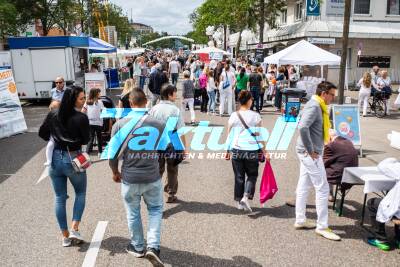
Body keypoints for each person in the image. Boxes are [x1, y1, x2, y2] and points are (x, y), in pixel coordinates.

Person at [109, 88, 166, 266]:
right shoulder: (159, 124)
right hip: (152, 175)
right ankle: (153, 247)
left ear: (131, 104)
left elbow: (113, 155)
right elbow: (163, 149)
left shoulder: (119, 124)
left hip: (129, 176)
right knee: (155, 210)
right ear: (146, 102)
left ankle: (138, 246)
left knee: (133, 212)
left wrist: (115, 172)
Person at [38, 86, 90, 247]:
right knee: (80, 193)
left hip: (54, 159)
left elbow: (42, 134)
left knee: (60, 198)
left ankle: (65, 236)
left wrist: (57, 136)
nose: (84, 101)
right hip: (73, 158)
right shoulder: (81, 117)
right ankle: (75, 228)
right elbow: (85, 140)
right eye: (81, 98)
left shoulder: (54, 114)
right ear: (73, 99)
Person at [295, 81, 341, 241]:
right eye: (332, 95)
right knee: (322, 188)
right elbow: (302, 127)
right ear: (324, 94)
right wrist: (310, 150)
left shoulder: (317, 105)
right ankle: (322, 226)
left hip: (308, 152)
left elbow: (305, 126)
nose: (333, 98)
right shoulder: (315, 106)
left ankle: (300, 220)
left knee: (304, 185)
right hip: (310, 153)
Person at [226, 90, 268, 212]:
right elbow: (259, 136)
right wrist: (265, 151)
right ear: (249, 100)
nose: (252, 101)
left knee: (239, 176)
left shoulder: (234, 115)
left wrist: (227, 150)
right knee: (252, 175)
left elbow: (229, 134)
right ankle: (246, 195)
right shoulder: (255, 116)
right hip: (251, 151)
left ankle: (239, 202)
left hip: (237, 149)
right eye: (251, 99)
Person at [149, 85, 188, 203]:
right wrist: (184, 148)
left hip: (157, 141)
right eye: (175, 93)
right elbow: (180, 130)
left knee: (158, 170)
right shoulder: (175, 110)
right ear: (169, 95)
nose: (176, 96)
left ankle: (154, 195)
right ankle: (170, 193)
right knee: (172, 169)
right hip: (173, 140)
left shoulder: (154, 108)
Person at [323, 129, 358, 201]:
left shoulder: (330, 145)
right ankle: (331, 192)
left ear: (329, 137)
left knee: (321, 170)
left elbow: (323, 163)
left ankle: (328, 193)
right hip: (352, 175)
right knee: (336, 163)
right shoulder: (349, 142)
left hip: (339, 176)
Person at [82, 88, 104, 156]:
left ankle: (87, 154)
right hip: (98, 123)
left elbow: (83, 111)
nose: (100, 94)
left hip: (90, 123)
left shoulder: (87, 102)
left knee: (91, 139)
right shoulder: (100, 102)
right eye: (99, 93)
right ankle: (100, 152)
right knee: (99, 138)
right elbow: (103, 111)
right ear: (96, 94)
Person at [44, 101, 61, 167]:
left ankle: (49, 160)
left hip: (60, 135)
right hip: (54, 135)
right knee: (50, 146)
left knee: (50, 146)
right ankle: (49, 160)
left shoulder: (61, 115)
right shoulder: (50, 116)